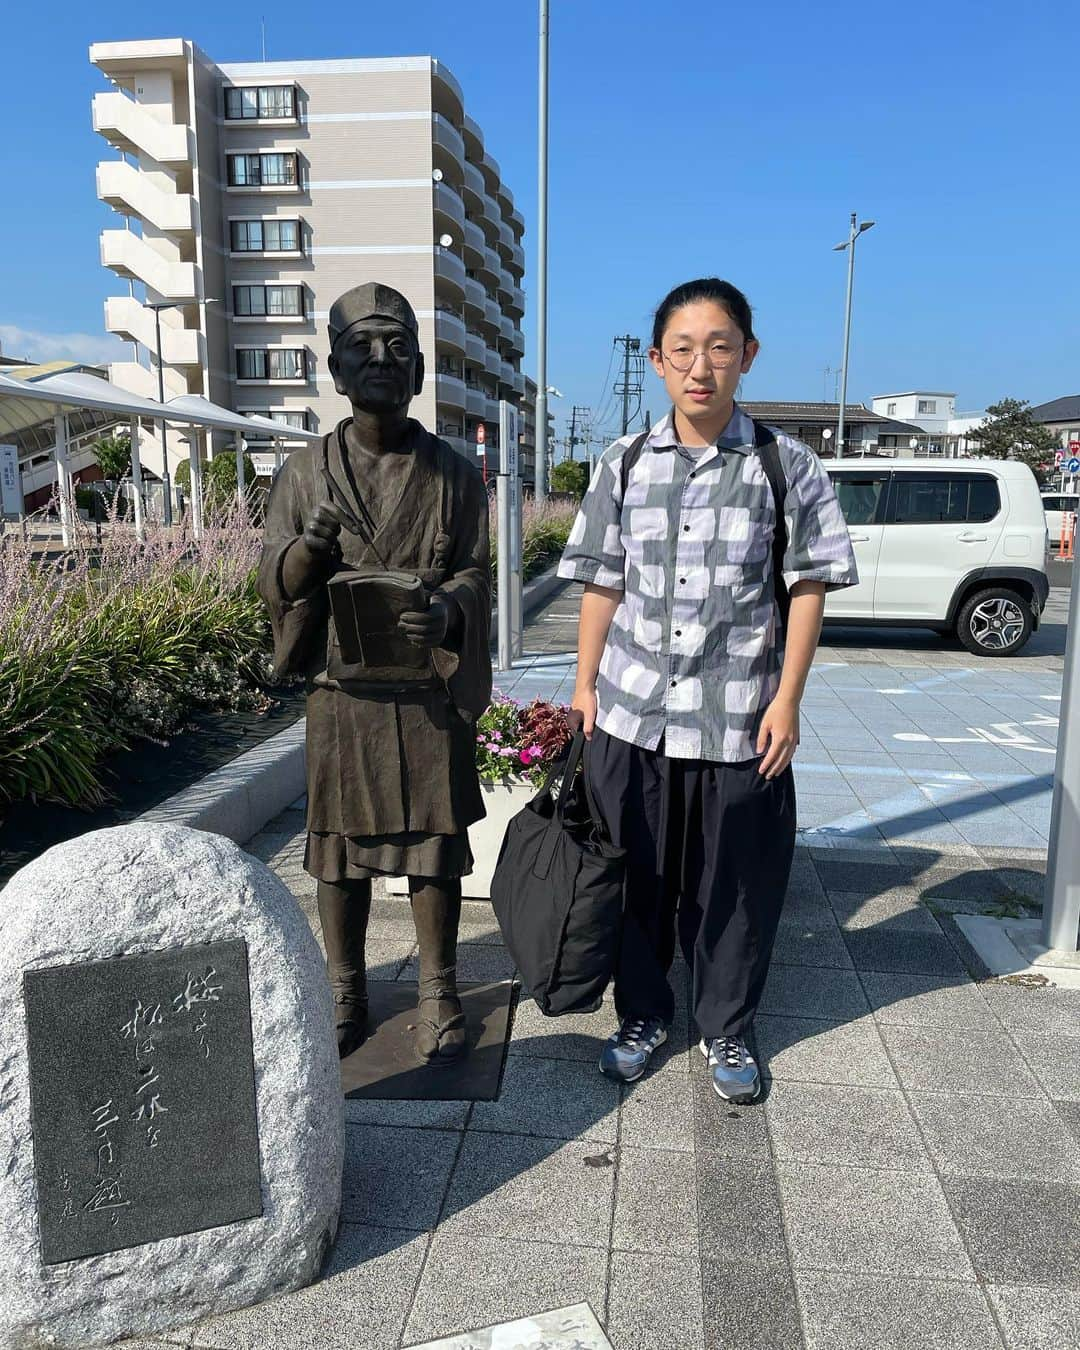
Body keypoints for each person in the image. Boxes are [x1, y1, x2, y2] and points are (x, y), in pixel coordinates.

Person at [558, 278, 857, 1103]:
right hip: (632, 716)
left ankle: (726, 1026)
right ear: (657, 362)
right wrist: (583, 687)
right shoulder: (621, 465)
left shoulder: (786, 466)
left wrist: (789, 698)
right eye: (683, 349)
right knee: (638, 881)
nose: (701, 367)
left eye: (719, 347)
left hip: (737, 722)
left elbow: (807, 588)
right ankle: (644, 1014)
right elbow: (600, 584)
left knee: (734, 887)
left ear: (747, 357)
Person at [257, 282, 492, 1065]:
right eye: (363, 347)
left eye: (398, 346)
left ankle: (439, 991)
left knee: (435, 848)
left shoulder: (456, 475)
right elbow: (273, 580)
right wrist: (306, 552)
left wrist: (451, 614)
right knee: (339, 852)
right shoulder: (304, 473)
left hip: (424, 694)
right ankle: (344, 987)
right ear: (335, 368)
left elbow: (475, 573)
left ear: (421, 368)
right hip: (343, 697)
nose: (381, 360)